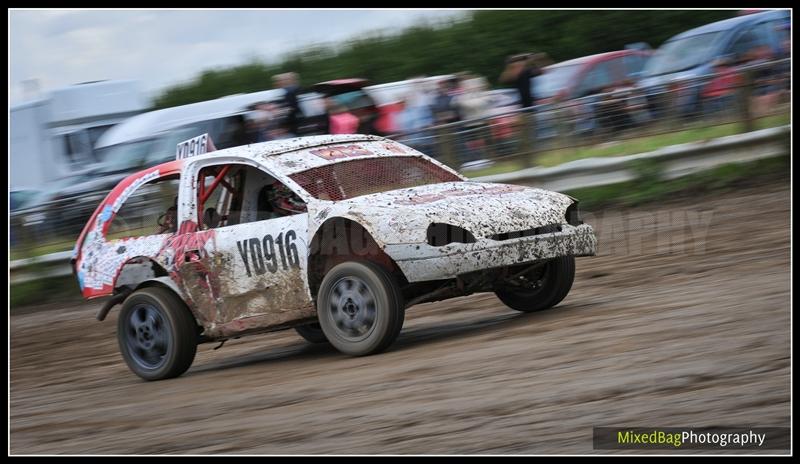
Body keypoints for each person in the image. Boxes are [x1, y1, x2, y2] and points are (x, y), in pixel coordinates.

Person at [272, 72, 305, 137]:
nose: (283, 82)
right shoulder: (287, 92)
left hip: (294, 125)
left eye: (285, 80)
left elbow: (292, 108)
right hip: (294, 124)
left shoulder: (290, 92)